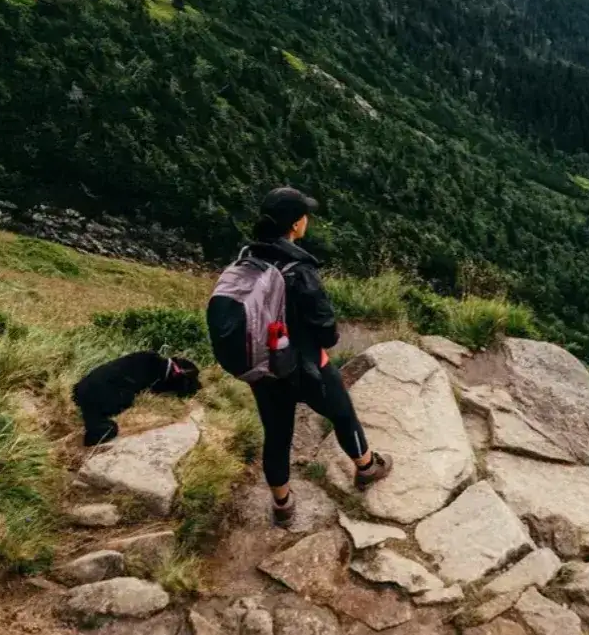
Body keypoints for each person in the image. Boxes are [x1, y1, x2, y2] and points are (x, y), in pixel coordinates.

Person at [209, 187, 391, 526]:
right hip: (306, 365)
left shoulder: (248, 257)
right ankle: (367, 468)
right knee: (342, 414)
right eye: (304, 214)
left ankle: (283, 506)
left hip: (263, 369)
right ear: (295, 224)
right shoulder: (300, 269)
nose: (307, 219)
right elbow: (327, 332)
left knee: (277, 436)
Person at [72, 352, 201, 446]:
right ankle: (98, 427)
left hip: (83, 387)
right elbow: (159, 387)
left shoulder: (148, 360)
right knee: (126, 399)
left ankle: (97, 424)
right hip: (98, 393)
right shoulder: (152, 369)